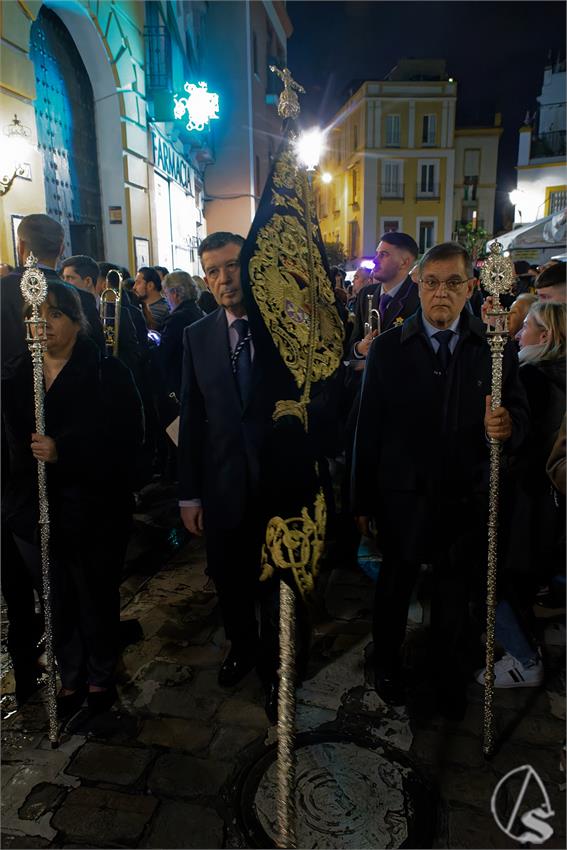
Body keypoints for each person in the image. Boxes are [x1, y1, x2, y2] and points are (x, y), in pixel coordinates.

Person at [352, 241, 529, 719]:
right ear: (419, 285)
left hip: (464, 496)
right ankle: (386, 663)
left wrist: (507, 425)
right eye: (432, 282)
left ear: (471, 287)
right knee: (395, 585)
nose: (441, 293)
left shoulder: (493, 348)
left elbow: (519, 413)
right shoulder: (390, 348)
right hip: (403, 495)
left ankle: (445, 673)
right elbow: (368, 427)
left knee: (454, 592)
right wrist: (362, 499)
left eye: (453, 283)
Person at [2, 281, 144, 717]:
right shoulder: (15, 374)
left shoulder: (106, 371)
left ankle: (101, 676)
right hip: (34, 511)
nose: (43, 325)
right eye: (35, 315)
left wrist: (66, 450)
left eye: (55, 314)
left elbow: (129, 440)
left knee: (95, 596)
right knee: (56, 598)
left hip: (93, 510)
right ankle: (71, 675)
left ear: (76, 320)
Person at [178, 232, 281, 719]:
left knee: (275, 583)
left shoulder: (283, 325)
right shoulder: (196, 335)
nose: (225, 278)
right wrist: (188, 494)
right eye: (214, 270)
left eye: (233, 266)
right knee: (230, 580)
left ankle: (277, 664)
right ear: (205, 278)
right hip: (220, 488)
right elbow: (192, 418)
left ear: (250, 266)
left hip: (278, 483)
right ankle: (241, 646)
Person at [476, 301, 566, 688]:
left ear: (544, 336)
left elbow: (527, 445)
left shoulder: (534, 377)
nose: (517, 334)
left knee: (492, 576)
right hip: (544, 504)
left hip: (526, 500)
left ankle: (524, 658)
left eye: (526, 326)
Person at [1, 214, 104, 376]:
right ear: (61, 249)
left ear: (20, 246)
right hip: (68, 396)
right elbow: (97, 360)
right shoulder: (81, 298)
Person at [349, 232, 420, 361]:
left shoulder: (420, 297)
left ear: (404, 262)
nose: (375, 260)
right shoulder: (366, 294)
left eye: (383, 255)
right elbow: (353, 340)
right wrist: (359, 348)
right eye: (377, 254)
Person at [160, 271, 204, 400]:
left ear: (175, 293)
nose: (165, 298)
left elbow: (165, 355)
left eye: (165, 293)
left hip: (179, 383)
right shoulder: (198, 311)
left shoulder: (176, 319)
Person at [133, 266, 170, 330]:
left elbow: (149, 331)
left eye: (138, 283)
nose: (134, 287)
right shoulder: (141, 305)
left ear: (150, 285)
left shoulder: (163, 309)